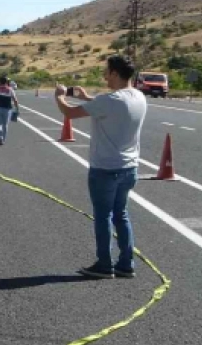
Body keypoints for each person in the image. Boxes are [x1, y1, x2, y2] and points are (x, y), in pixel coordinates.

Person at [55, 56, 147, 279]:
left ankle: (104, 264)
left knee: (103, 216)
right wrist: (87, 97)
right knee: (121, 215)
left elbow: (69, 113)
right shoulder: (138, 96)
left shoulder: (109, 100)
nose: (104, 75)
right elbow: (111, 105)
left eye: (107, 71)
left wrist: (59, 96)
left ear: (115, 73)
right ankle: (126, 263)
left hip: (105, 168)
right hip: (129, 167)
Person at [0, 75, 21, 146]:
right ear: (6, 82)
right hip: (7, 109)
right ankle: (3, 139)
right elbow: (15, 100)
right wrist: (17, 108)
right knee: (5, 125)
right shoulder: (10, 89)